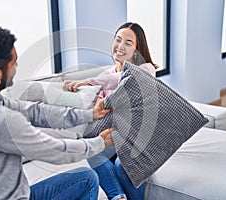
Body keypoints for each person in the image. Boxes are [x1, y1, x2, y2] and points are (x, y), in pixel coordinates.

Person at [0, 25, 114, 200]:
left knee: (86, 178)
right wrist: (99, 143)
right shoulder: (1, 120)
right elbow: (56, 151)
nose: (16, 68)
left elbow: (36, 112)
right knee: (87, 180)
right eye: (13, 64)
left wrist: (89, 115)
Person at [62, 22, 158, 200]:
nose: (120, 47)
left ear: (137, 50)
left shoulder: (146, 69)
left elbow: (122, 79)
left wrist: (88, 81)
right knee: (90, 148)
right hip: (114, 136)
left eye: (128, 43)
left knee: (124, 164)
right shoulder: (106, 75)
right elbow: (101, 109)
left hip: (137, 138)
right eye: (118, 40)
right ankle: (118, 197)